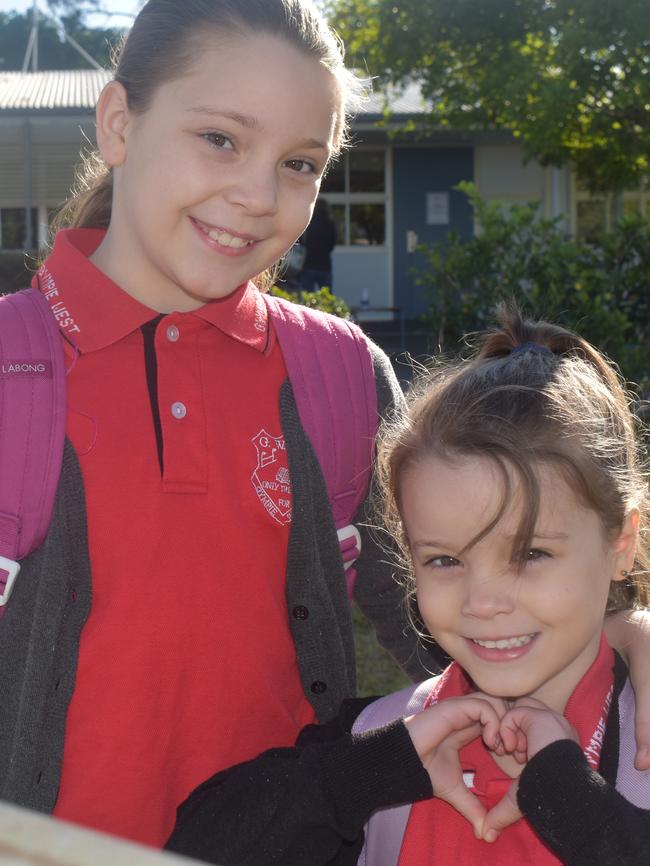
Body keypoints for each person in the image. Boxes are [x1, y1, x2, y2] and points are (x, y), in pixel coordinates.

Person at [0, 0, 425, 847]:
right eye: (221, 139)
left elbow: (448, 612)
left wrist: (619, 646)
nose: (258, 195)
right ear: (120, 122)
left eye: (301, 163)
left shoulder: (341, 377)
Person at [165, 306, 650, 866]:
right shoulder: (386, 739)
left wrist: (573, 803)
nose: (483, 602)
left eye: (531, 554)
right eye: (445, 560)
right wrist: (372, 771)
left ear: (620, 542)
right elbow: (194, 847)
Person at [299, 197, 337, 292]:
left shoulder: (309, 223)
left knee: (308, 297)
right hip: (325, 264)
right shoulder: (330, 223)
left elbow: (302, 242)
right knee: (326, 297)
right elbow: (332, 244)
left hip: (309, 263)